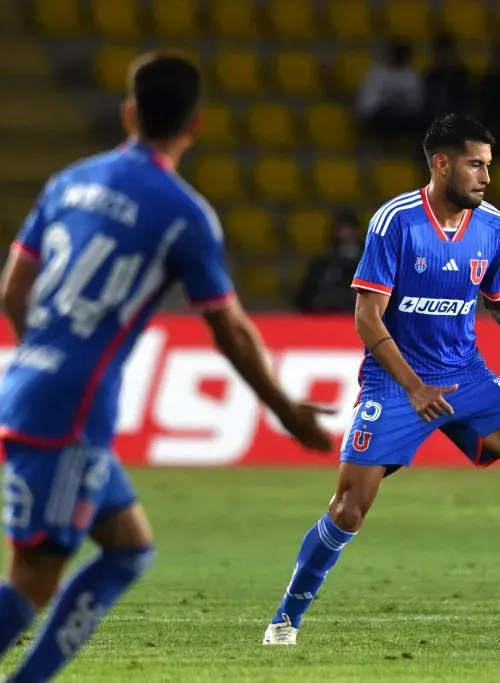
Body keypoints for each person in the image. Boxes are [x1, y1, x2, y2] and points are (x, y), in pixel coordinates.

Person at [0, 52, 334, 682]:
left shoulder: (69, 182)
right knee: (33, 576)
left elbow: (14, 292)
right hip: (70, 411)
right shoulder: (184, 215)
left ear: (129, 112)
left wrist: (45, 356)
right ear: (196, 127)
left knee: (128, 549)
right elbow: (229, 327)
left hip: (32, 387)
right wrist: (287, 412)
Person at [263, 114, 500, 645]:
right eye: (475, 165)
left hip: (467, 375)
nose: (486, 176)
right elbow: (366, 317)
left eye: (489, 165)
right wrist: (413, 387)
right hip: (396, 385)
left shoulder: (493, 226)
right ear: (441, 164)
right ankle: (285, 619)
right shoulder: (395, 222)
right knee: (348, 510)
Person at [292, 208, 364, 314]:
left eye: (350, 232)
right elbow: (302, 300)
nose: (346, 236)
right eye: (342, 231)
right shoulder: (321, 265)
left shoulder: (369, 266)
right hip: (324, 321)